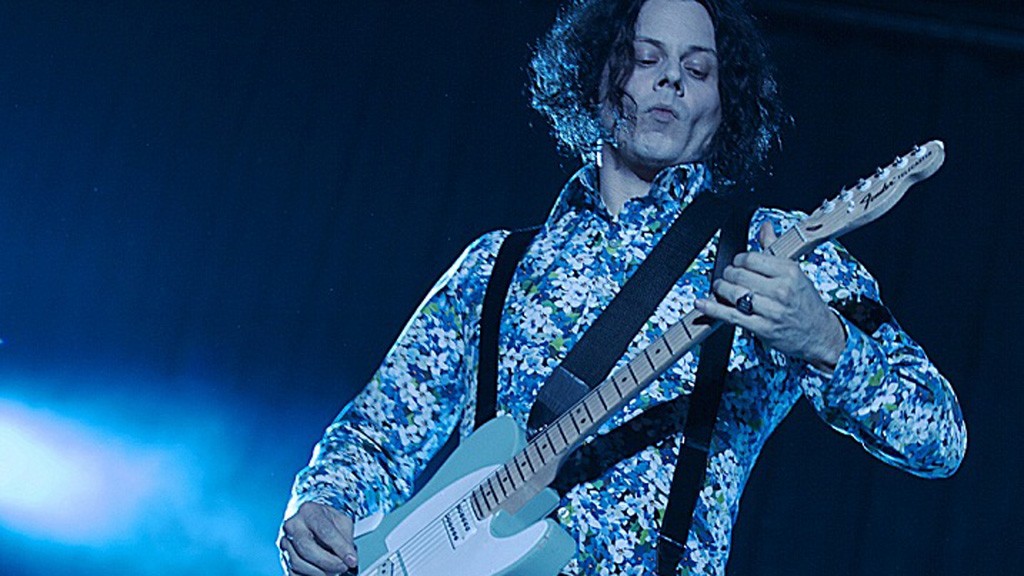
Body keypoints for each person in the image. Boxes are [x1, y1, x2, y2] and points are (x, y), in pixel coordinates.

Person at [278, 0, 966, 574]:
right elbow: (374, 437)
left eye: (698, 69)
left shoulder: (769, 251)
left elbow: (940, 437)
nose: (671, 79)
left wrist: (824, 339)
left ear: (724, 105)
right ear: (595, 75)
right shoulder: (497, 264)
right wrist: (320, 507)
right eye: (645, 57)